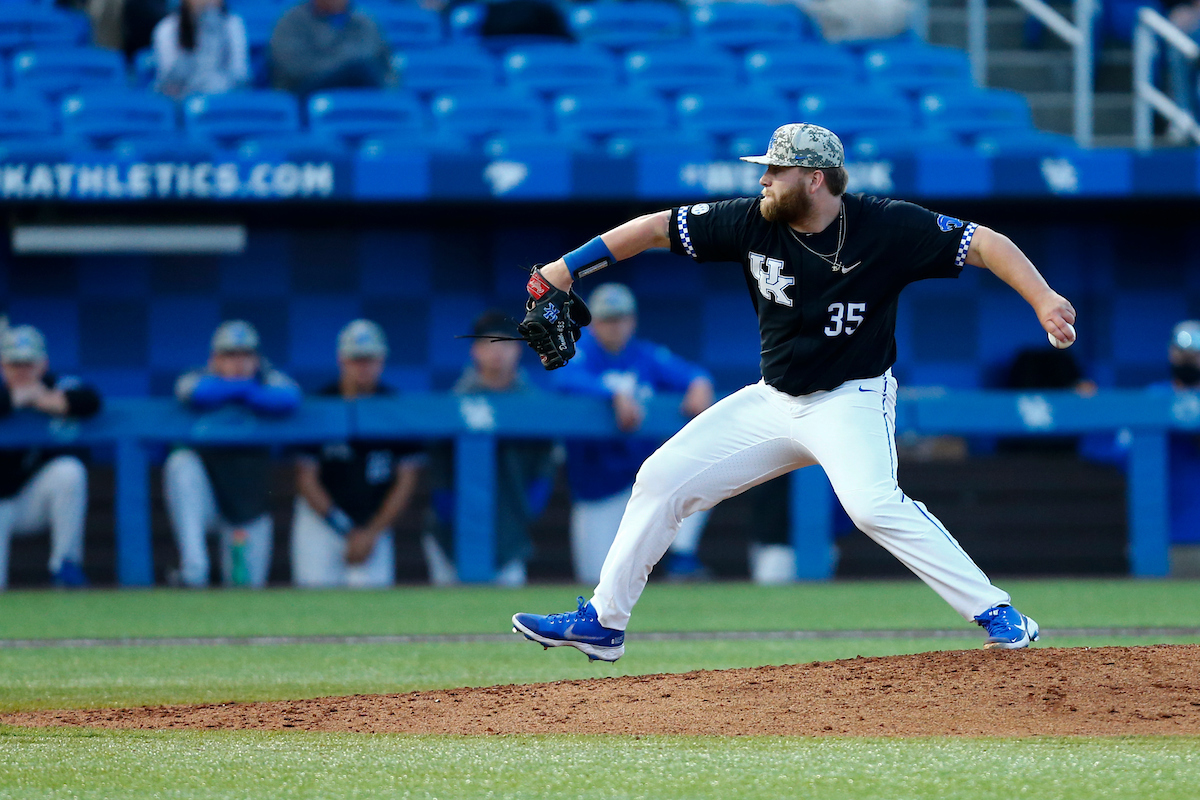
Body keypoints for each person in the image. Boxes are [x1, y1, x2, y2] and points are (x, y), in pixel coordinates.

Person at [512, 122, 1076, 662]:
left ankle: (997, 612)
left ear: (814, 178)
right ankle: (604, 623)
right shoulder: (750, 221)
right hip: (773, 400)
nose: (762, 180)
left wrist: (1044, 298)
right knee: (660, 479)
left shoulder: (886, 225)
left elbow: (986, 244)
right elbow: (655, 228)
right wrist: (565, 268)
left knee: (873, 506)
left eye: (775, 170)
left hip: (850, 398)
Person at [552, 282, 714, 583]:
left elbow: (693, 374)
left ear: (632, 321)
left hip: (642, 479)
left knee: (701, 471)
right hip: (598, 490)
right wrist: (611, 393)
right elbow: (563, 379)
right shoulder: (578, 351)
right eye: (606, 319)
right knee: (597, 581)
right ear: (593, 323)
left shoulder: (645, 355)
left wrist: (699, 383)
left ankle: (681, 554)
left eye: (621, 318)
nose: (615, 326)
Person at [422, 310, 558, 587]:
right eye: (488, 343)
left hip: (511, 534)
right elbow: (437, 469)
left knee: (503, 620)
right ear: (475, 351)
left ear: (519, 351)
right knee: (447, 620)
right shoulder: (455, 400)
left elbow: (546, 466)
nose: (497, 351)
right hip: (450, 538)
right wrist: (447, 509)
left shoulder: (535, 405)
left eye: (506, 342)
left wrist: (528, 508)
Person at [164, 320, 301, 588]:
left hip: (248, 504)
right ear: (214, 358)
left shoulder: (272, 379)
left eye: (245, 355)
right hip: (206, 500)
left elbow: (290, 397)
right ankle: (194, 570)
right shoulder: (197, 377)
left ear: (257, 358)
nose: (238, 362)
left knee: (245, 588)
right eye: (230, 355)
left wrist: (241, 389)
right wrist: (246, 390)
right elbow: (192, 391)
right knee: (181, 463)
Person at [292, 320, 422, 588]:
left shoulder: (395, 407)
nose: (363, 366)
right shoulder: (321, 404)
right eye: (356, 359)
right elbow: (305, 477)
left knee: (373, 606)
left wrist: (370, 532)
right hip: (323, 521)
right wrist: (345, 528)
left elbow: (407, 479)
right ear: (342, 360)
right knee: (314, 600)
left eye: (370, 359)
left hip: (374, 524)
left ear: (382, 360)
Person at [0, 325, 101, 589]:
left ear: (42, 364)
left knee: (68, 470)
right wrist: (13, 400)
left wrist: (45, 400)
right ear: (3, 365)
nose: (22, 370)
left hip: (31, 501)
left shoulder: (55, 386)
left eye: (28, 363)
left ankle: (65, 566)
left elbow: (90, 400)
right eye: (14, 363)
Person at [269, 0, 395, 95]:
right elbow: (296, 68)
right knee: (358, 68)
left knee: (366, 72)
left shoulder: (364, 21)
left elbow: (380, 61)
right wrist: (343, 66)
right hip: (306, 91)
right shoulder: (291, 21)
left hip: (360, 88)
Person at [152, 0, 249, 99]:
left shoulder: (233, 24)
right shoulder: (166, 28)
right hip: (181, 100)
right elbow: (169, 82)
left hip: (223, 98)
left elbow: (240, 74)